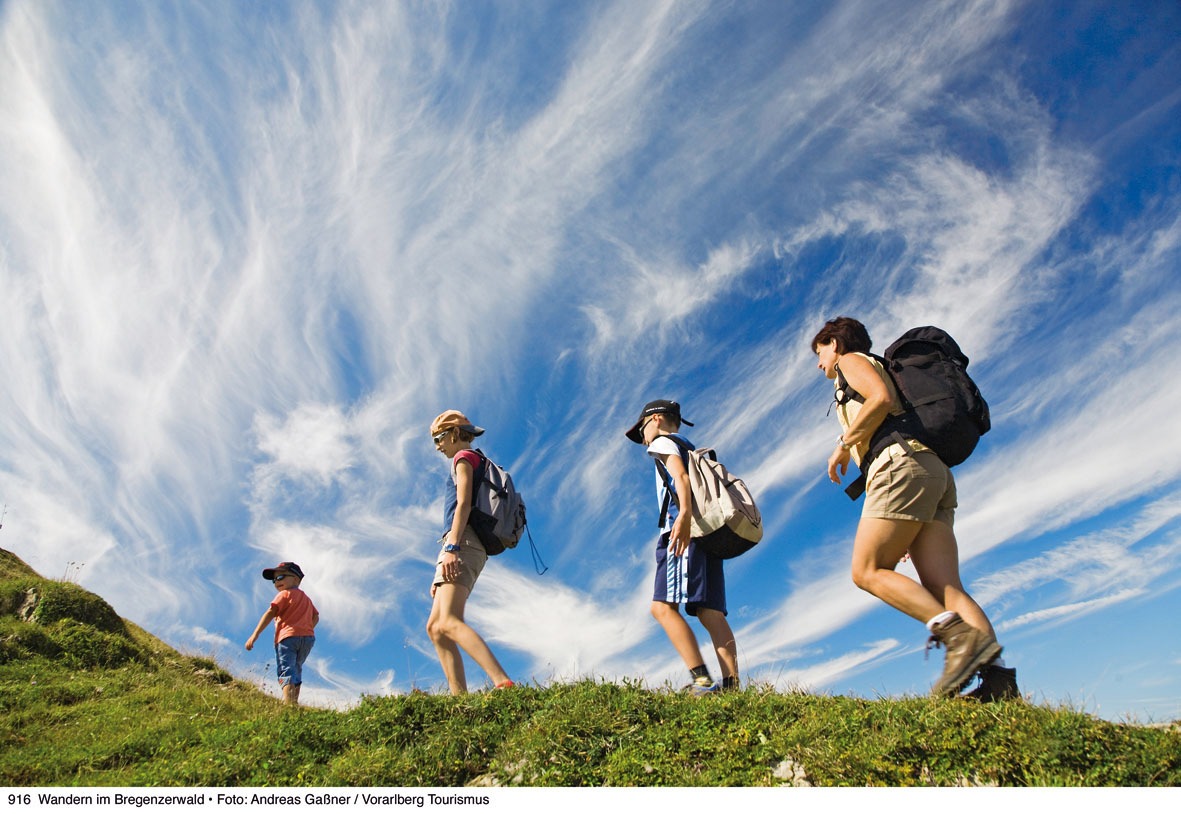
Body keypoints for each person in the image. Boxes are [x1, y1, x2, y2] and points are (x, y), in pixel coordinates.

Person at [811, 317, 1018, 701]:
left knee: (867, 570)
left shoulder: (850, 362)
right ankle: (999, 683)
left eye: (819, 351)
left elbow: (881, 399)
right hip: (931, 471)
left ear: (833, 343)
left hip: (899, 464)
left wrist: (844, 443)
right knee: (945, 585)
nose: (819, 362)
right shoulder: (875, 364)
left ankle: (956, 636)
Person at [626, 399, 739, 695]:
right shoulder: (687, 444)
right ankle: (732, 687)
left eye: (642, 428)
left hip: (682, 529)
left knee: (661, 607)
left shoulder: (663, 442)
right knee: (709, 611)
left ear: (657, 419)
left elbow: (681, 477)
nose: (642, 438)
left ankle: (701, 681)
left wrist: (684, 515)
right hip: (708, 531)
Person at [426, 410, 515, 695]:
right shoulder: (472, 459)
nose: (437, 446)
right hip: (461, 543)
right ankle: (458, 698)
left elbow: (463, 504)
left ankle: (503, 682)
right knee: (435, 627)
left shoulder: (463, 458)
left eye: (439, 438)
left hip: (462, 541)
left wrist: (451, 547)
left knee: (449, 621)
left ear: (454, 433)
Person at [245, 561, 319, 706]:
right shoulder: (307, 599)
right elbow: (316, 616)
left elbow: (270, 612)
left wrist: (255, 634)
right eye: (274, 580)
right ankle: (294, 703)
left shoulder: (284, 594)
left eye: (280, 577)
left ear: (296, 579)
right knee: (296, 668)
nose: (276, 582)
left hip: (287, 637)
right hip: (307, 639)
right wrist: (306, 628)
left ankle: (288, 704)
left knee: (286, 669)